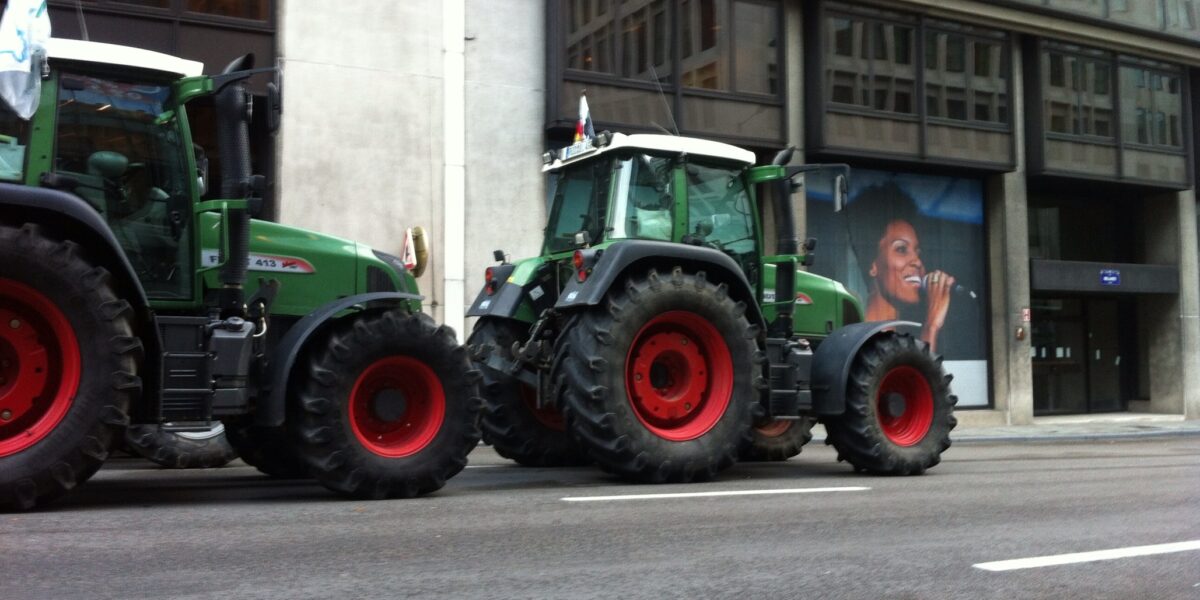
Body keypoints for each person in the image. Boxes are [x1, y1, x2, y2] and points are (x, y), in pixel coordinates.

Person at [848, 182, 955, 354]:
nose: (917, 262)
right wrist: (931, 327)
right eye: (901, 249)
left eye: (917, 252)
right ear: (872, 265)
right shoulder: (859, 341)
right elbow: (915, 381)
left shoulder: (902, 338)